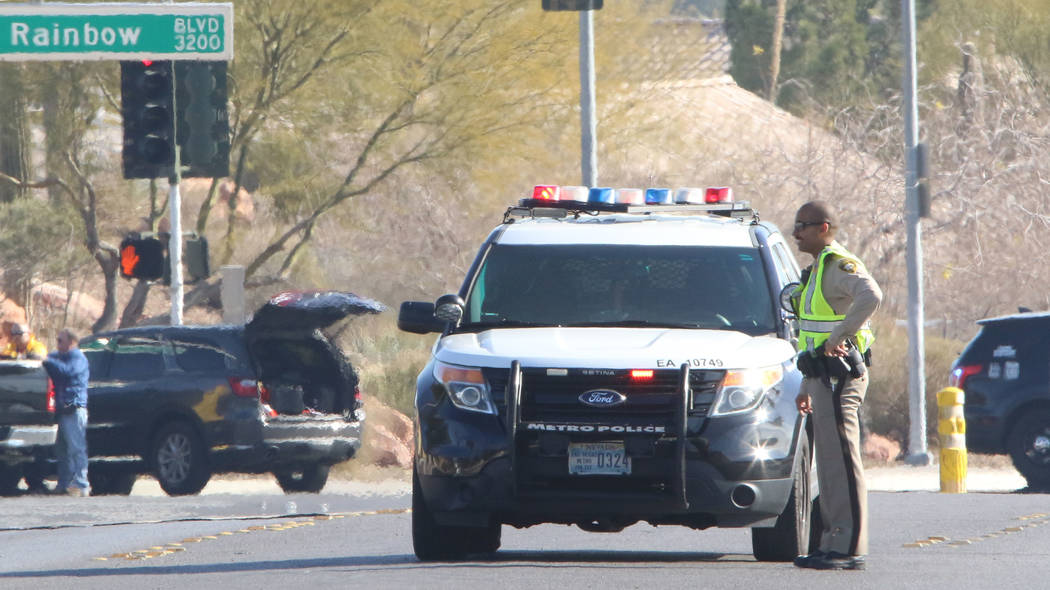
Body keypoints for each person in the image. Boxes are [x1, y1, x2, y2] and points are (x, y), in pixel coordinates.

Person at [789, 201, 882, 571]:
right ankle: (833, 542)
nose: (796, 233)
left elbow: (871, 295)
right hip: (820, 378)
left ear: (824, 228)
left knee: (842, 460)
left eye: (803, 226)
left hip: (841, 376)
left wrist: (841, 335)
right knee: (828, 463)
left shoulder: (838, 265)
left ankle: (849, 547)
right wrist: (805, 385)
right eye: (795, 226)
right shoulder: (815, 271)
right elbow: (810, 333)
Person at [42, 329, 91, 497]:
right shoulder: (59, 357)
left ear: (71, 342)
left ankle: (82, 484)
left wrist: (46, 360)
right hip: (62, 411)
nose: (57, 343)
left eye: (60, 340)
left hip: (74, 409)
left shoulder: (78, 358)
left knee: (77, 448)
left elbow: (67, 371)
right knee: (62, 450)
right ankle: (64, 483)